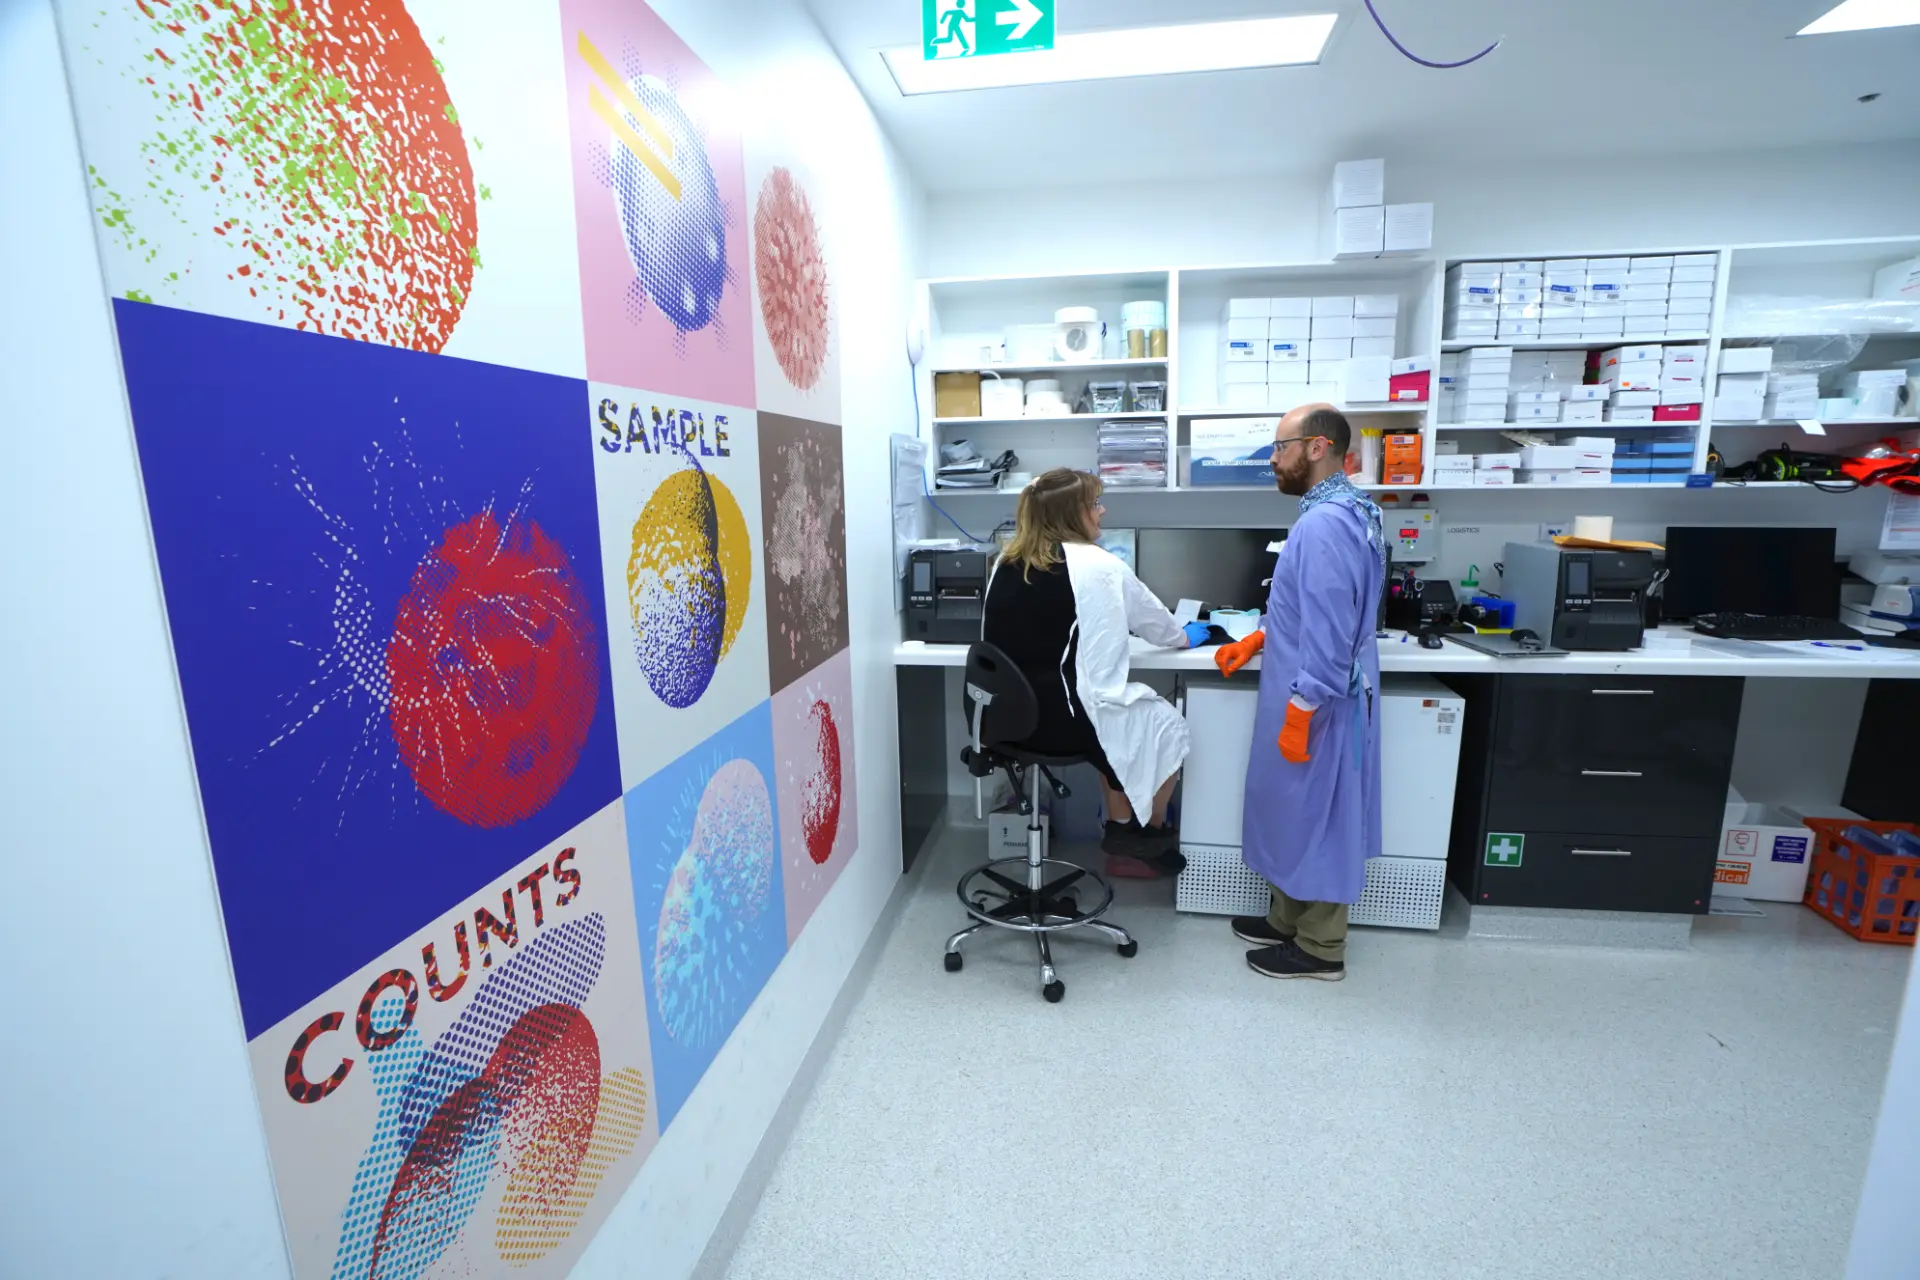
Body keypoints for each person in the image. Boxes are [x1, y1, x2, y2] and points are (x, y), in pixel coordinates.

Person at [1211, 405, 1385, 981]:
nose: (1272, 460)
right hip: (1305, 684)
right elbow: (1311, 605)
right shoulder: (1341, 510)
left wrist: (1304, 704)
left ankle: (1320, 948)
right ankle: (1287, 918)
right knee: (1291, 808)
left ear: (1316, 448)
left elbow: (1333, 629)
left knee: (1323, 815)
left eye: (1280, 447)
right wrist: (1262, 636)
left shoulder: (1326, 522)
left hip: (1319, 696)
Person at [982, 468, 1210, 877]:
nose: (1101, 512)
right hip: (1066, 723)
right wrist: (1190, 634)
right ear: (1074, 514)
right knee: (1166, 725)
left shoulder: (1005, 560)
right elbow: (1160, 628)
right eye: (1094, 504)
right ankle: (1144, 830)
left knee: (1117, 717)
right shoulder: (1100, 564)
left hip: (1003, 719)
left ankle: (1122, 825)